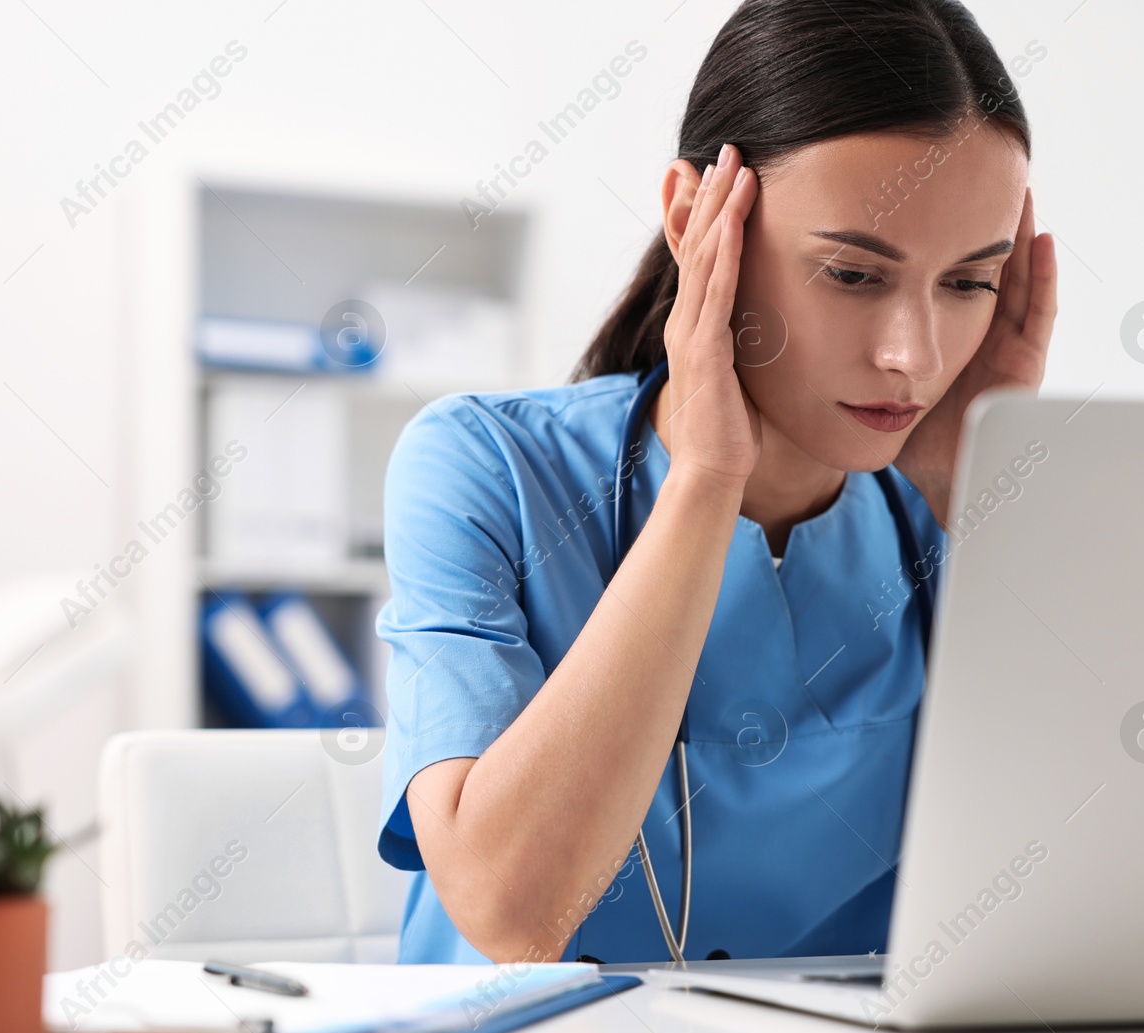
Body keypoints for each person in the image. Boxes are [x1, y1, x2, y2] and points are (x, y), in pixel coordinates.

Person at [374, 0, 1057, 965]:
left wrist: (982, 513)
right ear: (699, 222)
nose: (914, 356)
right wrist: (706, 478)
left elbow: (1111, 898)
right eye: (855, 274)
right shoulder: (483, 468)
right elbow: (512, 912)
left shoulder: (946, 519)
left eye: (967, 283)